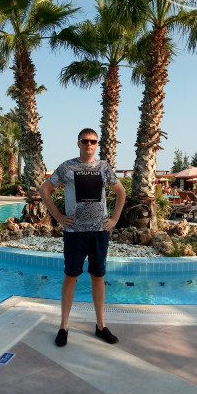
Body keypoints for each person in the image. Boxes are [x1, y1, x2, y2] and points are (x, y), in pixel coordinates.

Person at [39, 128, 126, 347]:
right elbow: (44, 190)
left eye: (93, 141)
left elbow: (121, 192)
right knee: (71, 277)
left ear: (97, 144)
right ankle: (63, 327)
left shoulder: (104, 167)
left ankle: (101, 326)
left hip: (99, 232)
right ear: (78, 143)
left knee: (98, 277)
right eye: (85, 141)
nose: (89, 144)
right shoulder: (67, 167)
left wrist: (114, 218)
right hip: (74, 233)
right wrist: (58, 217)